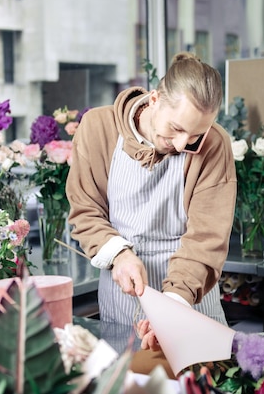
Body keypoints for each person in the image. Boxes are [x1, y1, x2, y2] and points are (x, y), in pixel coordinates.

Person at [66, 52, 237, 351]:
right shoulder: (98, 128)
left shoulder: (215, 145)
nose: (184, 144)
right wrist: (119, 255)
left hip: (189, 304)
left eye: (196, 133)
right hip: (123, 303)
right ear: (154, 99)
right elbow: (85, 210)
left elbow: (207, 238)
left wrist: (171, 309)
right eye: (177, 128)